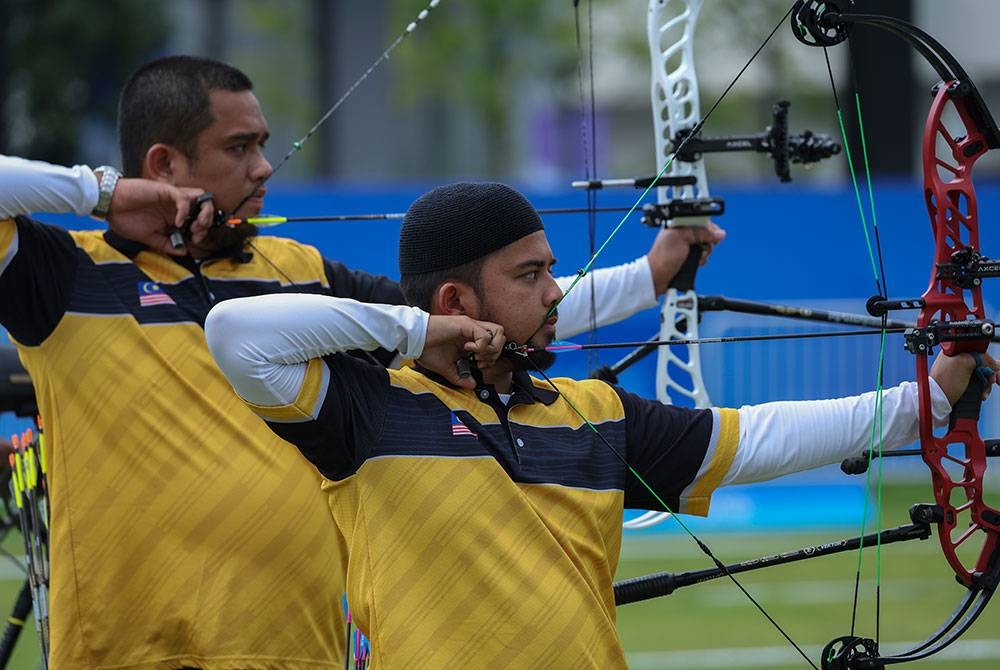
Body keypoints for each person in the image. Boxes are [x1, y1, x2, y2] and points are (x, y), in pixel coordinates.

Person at [0, 55, 722, 668]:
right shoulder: (62, 276)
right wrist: (100, 193)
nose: (263, 167)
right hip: (122, 648)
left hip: (288, 643)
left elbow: (481, 315)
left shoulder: (298, 272)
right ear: (164, 164)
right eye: (240, 147)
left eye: (264, 145)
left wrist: (650, 273)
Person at [205, 181, 996, 669]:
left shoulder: (594, 413)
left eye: (552, 269)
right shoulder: (366, 410)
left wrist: (922, 402)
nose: (555, 292)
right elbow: (236, 335)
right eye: (531, 274)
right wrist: (415, 335)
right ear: (455, 305)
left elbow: (758, 438)